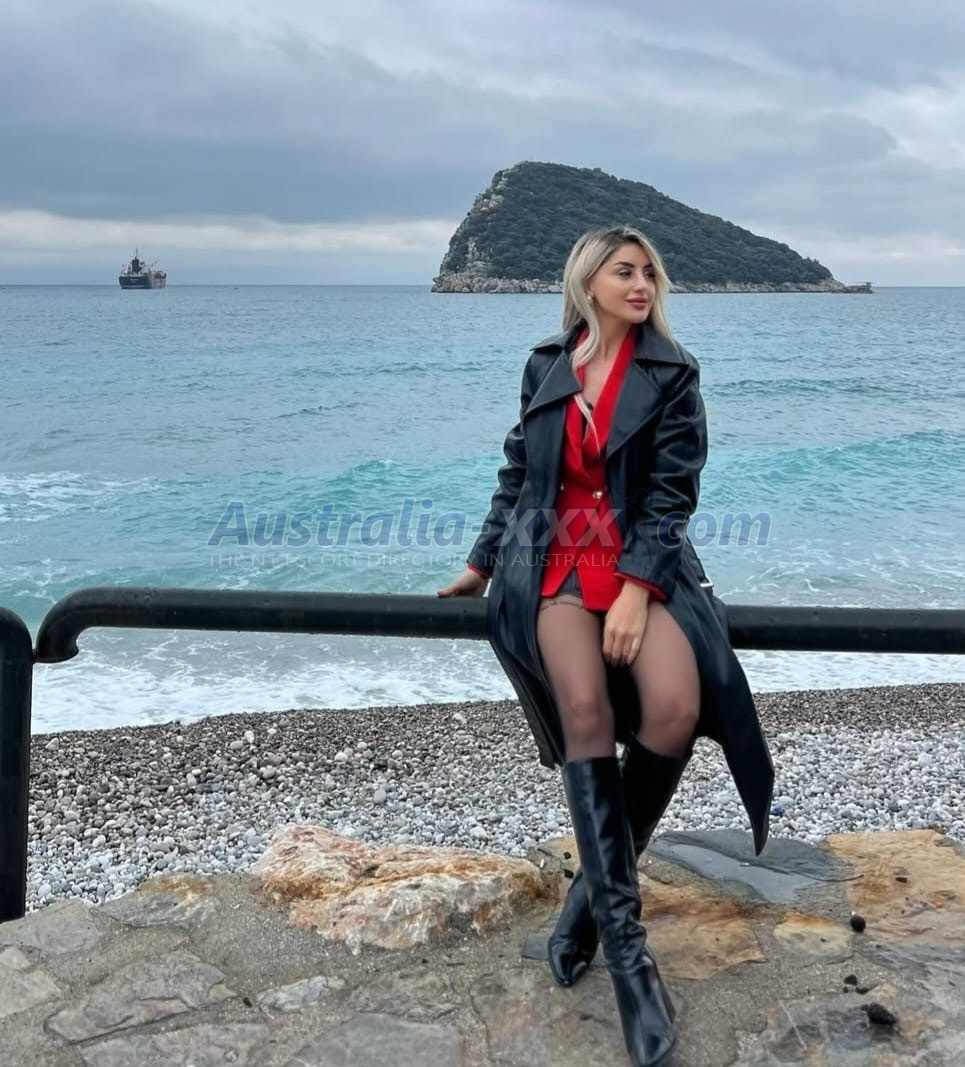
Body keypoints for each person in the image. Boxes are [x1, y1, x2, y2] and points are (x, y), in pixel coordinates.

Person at [438, 225, 773, 1067]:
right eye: (625, 270)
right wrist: (482, 560)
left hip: (637, 563)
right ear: (588, 282)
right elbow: (518, 473)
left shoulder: (672, 371)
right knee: (583, 711)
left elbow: (671, 493)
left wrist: (633, 589)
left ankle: (588, 900)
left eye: (649, 271)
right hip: (550, 560)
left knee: (675, 708)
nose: (642, 283)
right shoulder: (546, 365)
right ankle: (629, 960)